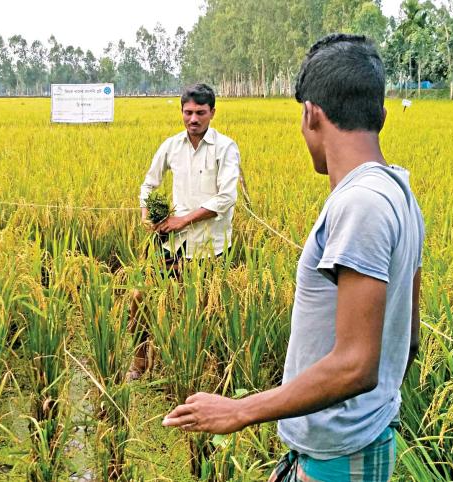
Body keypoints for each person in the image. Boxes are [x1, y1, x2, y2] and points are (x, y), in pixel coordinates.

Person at [162, 34, 425, 482]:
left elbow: (356, 365)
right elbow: (409, 340)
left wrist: (239, 410)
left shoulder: (360, 205)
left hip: (343, 459)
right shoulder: (399, 191)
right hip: (341, 449)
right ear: (380, 114)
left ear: (311, 114)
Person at [128, 83, 241, 381]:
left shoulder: (225, 148)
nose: (194, 119)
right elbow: (149, 183)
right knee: (140, 297)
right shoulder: (171, 146)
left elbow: (227, 197)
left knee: (202, 310)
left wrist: (184, 220)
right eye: (188, 112)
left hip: (210, 248)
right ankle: (140, 361)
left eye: (200, 113)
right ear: (181, 112)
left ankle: (200, 367)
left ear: (212, 113)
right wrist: (146, 213)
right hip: (171, 245)